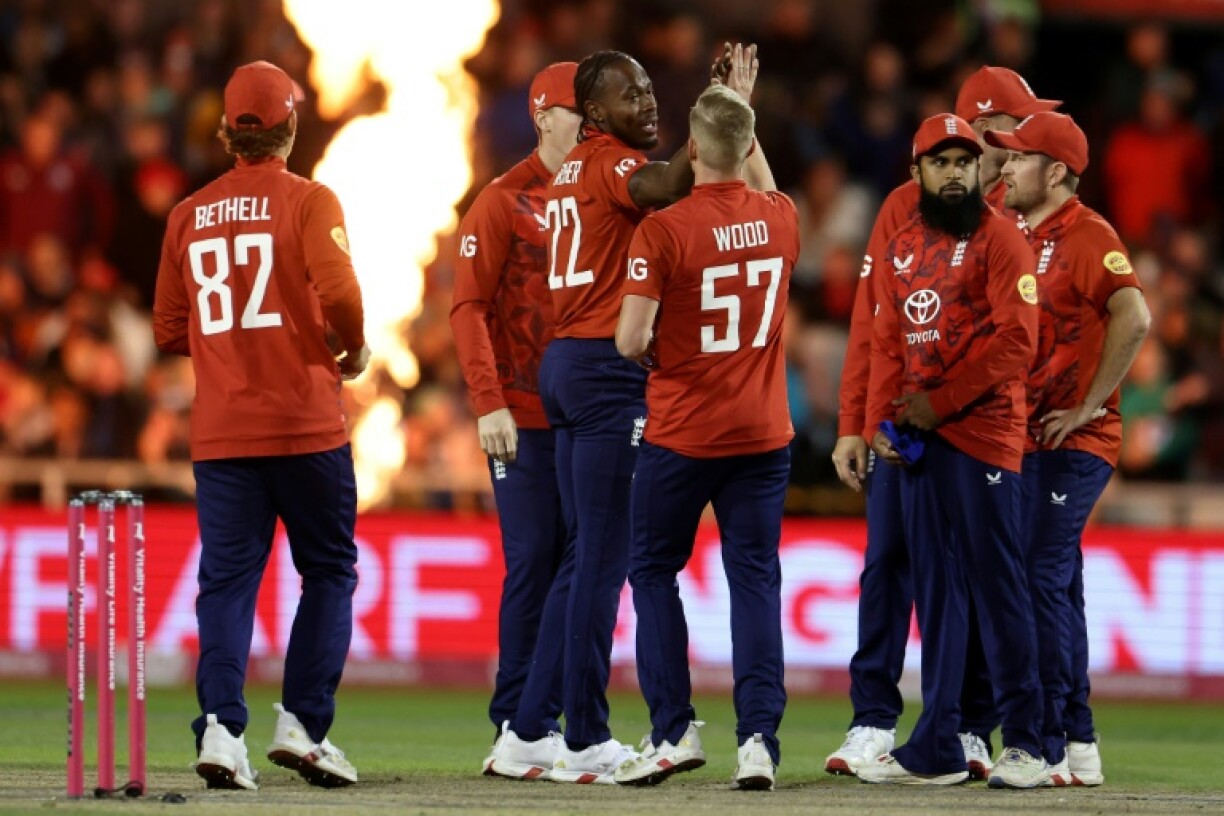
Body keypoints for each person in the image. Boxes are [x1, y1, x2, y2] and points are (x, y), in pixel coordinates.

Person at [490, 44, 751, 785]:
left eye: (647, 89)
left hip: (567, 363)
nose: (647, 101)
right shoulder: (606, 162)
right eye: (631, 94)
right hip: (607, 373)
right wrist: (718, 115)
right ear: (596, 114)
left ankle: (530, 730)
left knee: (581, 561)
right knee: (604, 563)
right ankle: (587, 739)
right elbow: (671, 182)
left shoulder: (570, 170)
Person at [826, 65, 1060, 778]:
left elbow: (1020, 336)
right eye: (1015, 130)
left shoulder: (1012, 217)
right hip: (915, 431)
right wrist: (863, 423)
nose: (1023, 143)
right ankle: (881, 721)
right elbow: (879, 329)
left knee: (985, 581)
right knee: (899, 569)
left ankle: (987, 730)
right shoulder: (906, 212)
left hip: (985, 429)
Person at [152, 60, 369, 791]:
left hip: (221, 434)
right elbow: (340, 290)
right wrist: (353, 346)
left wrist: (228, 346)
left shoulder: (186, 213)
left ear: (225, 132)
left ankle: (220, 728)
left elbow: (168, 327)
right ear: (291, 126)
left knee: (227, 583)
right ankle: (304, 727)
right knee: (330, 572)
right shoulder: (309, 200)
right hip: (306, 424)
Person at [610, 79, 796, 791]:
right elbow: (763, 185)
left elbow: (629, 339)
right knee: (754, 580)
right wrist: (744, 110)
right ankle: (758, 744)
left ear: (690, 149)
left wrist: (660, 350)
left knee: (654, 570)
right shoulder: (783, 217)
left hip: (683, 432)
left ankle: (672, 731)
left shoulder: (662, 229)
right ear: (748, 147)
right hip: (762, 433)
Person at [989, 112, 1150, 786]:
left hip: (1073, 438)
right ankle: (1078, 739)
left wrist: (1089, 404)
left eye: (1018, 158)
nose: (1005, 169)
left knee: (1037, 573)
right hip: (1024, 437)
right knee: (1056, 580)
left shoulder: (1089, 235)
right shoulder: (1015, 230)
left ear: (1056, 171)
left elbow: (1135, 315)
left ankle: (1048, 744)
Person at [450, 62, 582, 774]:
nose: (589, 125)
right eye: (575, 112)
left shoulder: (605, 196)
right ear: (542, 117)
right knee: (535, 560)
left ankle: (546, 716)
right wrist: (487, 400)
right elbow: (466, 306)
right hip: (522, 415)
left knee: (579, 563)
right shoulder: (502, 201)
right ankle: (515, 718)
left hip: (586, 414)